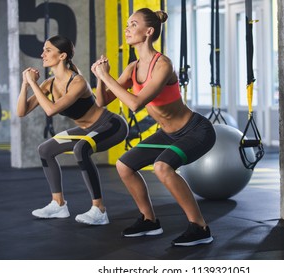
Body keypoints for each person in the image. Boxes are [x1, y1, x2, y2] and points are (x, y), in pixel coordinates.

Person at [91, 8, 216, 246]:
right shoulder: (133, 68)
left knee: (162, 167)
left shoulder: (163, 65)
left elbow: (136, 103)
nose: (127, 29)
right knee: (124, 165)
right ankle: (149, 220)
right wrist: (99, 76)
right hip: (168, 134)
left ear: (148, 32)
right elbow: (102, 101)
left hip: (195, 130)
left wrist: (107, 78)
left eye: (133, 24)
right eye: (127, 24)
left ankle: (200, 227)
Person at [17, 35, 128, 225]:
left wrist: (33, 83)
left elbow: (51, 110)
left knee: (81, 149)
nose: (42, 54)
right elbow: (21, 111)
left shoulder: (78, 82)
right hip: (87, 130)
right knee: (45, 150)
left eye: (48, 50)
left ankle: (99, 209)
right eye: (44, 50)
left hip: (111, 125)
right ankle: (58, 204)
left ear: (62, 56)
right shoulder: (48, 84)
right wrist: (26, 83)